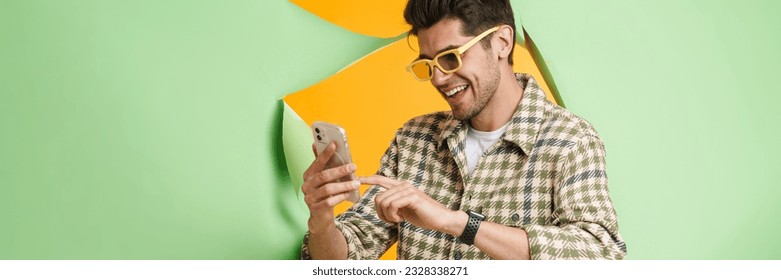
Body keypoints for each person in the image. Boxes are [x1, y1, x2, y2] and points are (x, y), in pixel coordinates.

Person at [300, 0, 626, 260]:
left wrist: (457, 222)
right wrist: (321, 220)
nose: (439, 78)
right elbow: (347, 257)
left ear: (501, 42)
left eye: (451, 58)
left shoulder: (570, 141)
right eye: (429, 64)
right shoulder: (413, 140)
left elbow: (600, 254)